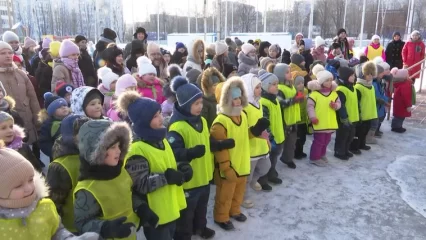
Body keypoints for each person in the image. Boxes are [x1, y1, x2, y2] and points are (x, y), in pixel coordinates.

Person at [117, 91, 189, 240]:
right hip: (156, 213)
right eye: (155, 117)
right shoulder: (137, 149)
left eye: (160, 114)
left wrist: (180, 168)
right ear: (143, 122)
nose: (161, 119)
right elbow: (140, 184)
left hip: (171, 206)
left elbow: (166, 163)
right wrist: (166, 178)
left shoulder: (161, 139)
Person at [0, 142, 99, 240]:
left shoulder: (44, 206)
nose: (29, 188)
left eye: (30, 180)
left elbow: (56, 231)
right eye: (18, 186)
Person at [73, 120, 147, 239]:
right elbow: (81, 223)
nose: (118, 151)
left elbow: (128, 194)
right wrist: (106, 228)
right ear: (96, 151)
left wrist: (142, 208)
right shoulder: (87, 189)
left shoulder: (120, 171)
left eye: (119, 146)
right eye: (112, 147)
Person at [211, 76, 267, 230]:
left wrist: (255, 130)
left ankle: (234, 211)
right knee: (225, 194)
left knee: (239, 192)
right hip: (229, 167)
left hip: (242, 163)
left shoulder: (242, 115)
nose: (238, 101)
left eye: (239, 97)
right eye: (234, 98)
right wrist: (226, 167)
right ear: (225, 99)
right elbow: (220, 149)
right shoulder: (221, 122)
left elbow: (244, 135)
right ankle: (221, 216)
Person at [168, 77, 217, 240]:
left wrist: (219, 144)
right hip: (189, 181)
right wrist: (190, 153)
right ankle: (183, 235)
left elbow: (206, 142)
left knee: (202, 207)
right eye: (196, 104)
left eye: (201, 103)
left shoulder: (202, 120)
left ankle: (200, 228)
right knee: (187, 213)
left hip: (204, 175)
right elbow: (173, 152)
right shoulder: (177, 127)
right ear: (184, 105)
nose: (200, 107)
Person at [48, 114, 90, 232]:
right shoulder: (60, 166)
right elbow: (54, 200)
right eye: (81, 132)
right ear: (70, 136)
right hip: (73, 227)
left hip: (96, 222)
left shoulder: (96, 156)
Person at [0, 41, 40, 146]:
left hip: (27, 122)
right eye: (3, 53)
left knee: (32, 155)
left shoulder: (21, 74)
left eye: (9, 53)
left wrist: (38, 119)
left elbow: (33, 98)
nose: (8, 56)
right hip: (6, 128)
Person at [241, 73, 271, 208]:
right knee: (247, 175)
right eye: (257, 87)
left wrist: (266, 138)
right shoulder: (244, 107)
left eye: (260, 87)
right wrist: (256, 133)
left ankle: (254, 180)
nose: (260, 89)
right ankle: (243, 196)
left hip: (261, 143)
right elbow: (244, 127)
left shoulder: (258, 103)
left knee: (265, 167)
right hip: (251, 145)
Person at [269, 64, 304, 169]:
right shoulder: (279, 88)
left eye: (290, 71)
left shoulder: (291, 86)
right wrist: (294, 100)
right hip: (284, 121)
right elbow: (280, 103)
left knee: (291, 142)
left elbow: (293, 97)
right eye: (287, 72)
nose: (290, 74)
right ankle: (271, 164)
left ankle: (288, 158)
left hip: (293, 119)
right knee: (280, 142)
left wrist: (299, 97)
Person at [307, 65, 340, 167]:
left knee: (327, 140)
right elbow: (310, 107)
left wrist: (335, 106)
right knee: (319, 141)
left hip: (329, 122)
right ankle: (314, 157)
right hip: (319, 122)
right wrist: (312, 117)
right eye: (327, 80)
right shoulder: (314, 95)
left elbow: (339, 104)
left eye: (331, 80)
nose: (330, 82)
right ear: (321, 82)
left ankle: (322, 154)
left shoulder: (334, 94)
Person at [258, 70, 285, 191]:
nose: (277, 86)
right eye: (273, 84)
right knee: (265, 161)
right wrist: (270, 136)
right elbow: (264, 122)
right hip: (270, 138)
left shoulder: (275, 99)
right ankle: (262, 180)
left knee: (274, 158)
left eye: (277, 84)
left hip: (278, 135)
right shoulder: (263, 102)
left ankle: (271, 173)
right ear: (265, 86)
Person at [350, 61, 378, 154]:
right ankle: (354, 147)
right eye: (367, 74)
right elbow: (356, 102)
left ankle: (362, 144)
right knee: (358, 132)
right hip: (361, 114)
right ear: (362, 74)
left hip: (369, 114)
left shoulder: (371, 86)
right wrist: (358, 113)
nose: (370, 76)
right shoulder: (358, 87)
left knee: (365, 131)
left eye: (371, 74)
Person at [334, 66, 359, 160]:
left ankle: (346, 150)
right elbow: (342, 106)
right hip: (344, 119)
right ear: (345, 76)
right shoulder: (341, 89)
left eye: (354, 75)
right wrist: (344, 118)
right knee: (342, 136)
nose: (354, 77)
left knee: (350, 136)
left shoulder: (352, 88)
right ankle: (339, 152)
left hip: (353, 117)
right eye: (351, 76)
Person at [38, 93, 70, 160]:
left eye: (64, 105)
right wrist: (54, 152)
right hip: (58, 157)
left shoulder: (73, 119)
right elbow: (44, 142)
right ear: (52, 111)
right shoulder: (48, 125)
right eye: (59, 107)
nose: (63, 107)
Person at [390, 68, 413, 133]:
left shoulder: (400, 83)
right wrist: (408, 105)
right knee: (400, 117)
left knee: (398, 116)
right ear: (404, 77)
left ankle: (396, 126)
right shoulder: (405, 85)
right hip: (402, 105)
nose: (408, 75)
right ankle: (396, 127)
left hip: (399, 104)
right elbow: (406, 97)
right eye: (407, 74)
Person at [294, 75, 309, 159]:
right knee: (298, 138)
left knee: (303, 137)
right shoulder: (293, 92)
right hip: (297, 119)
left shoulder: (305, 91)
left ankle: (301, 151)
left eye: (302, 83)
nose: (301, 85)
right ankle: (296, 153)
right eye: (298, 83)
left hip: (304, 118)